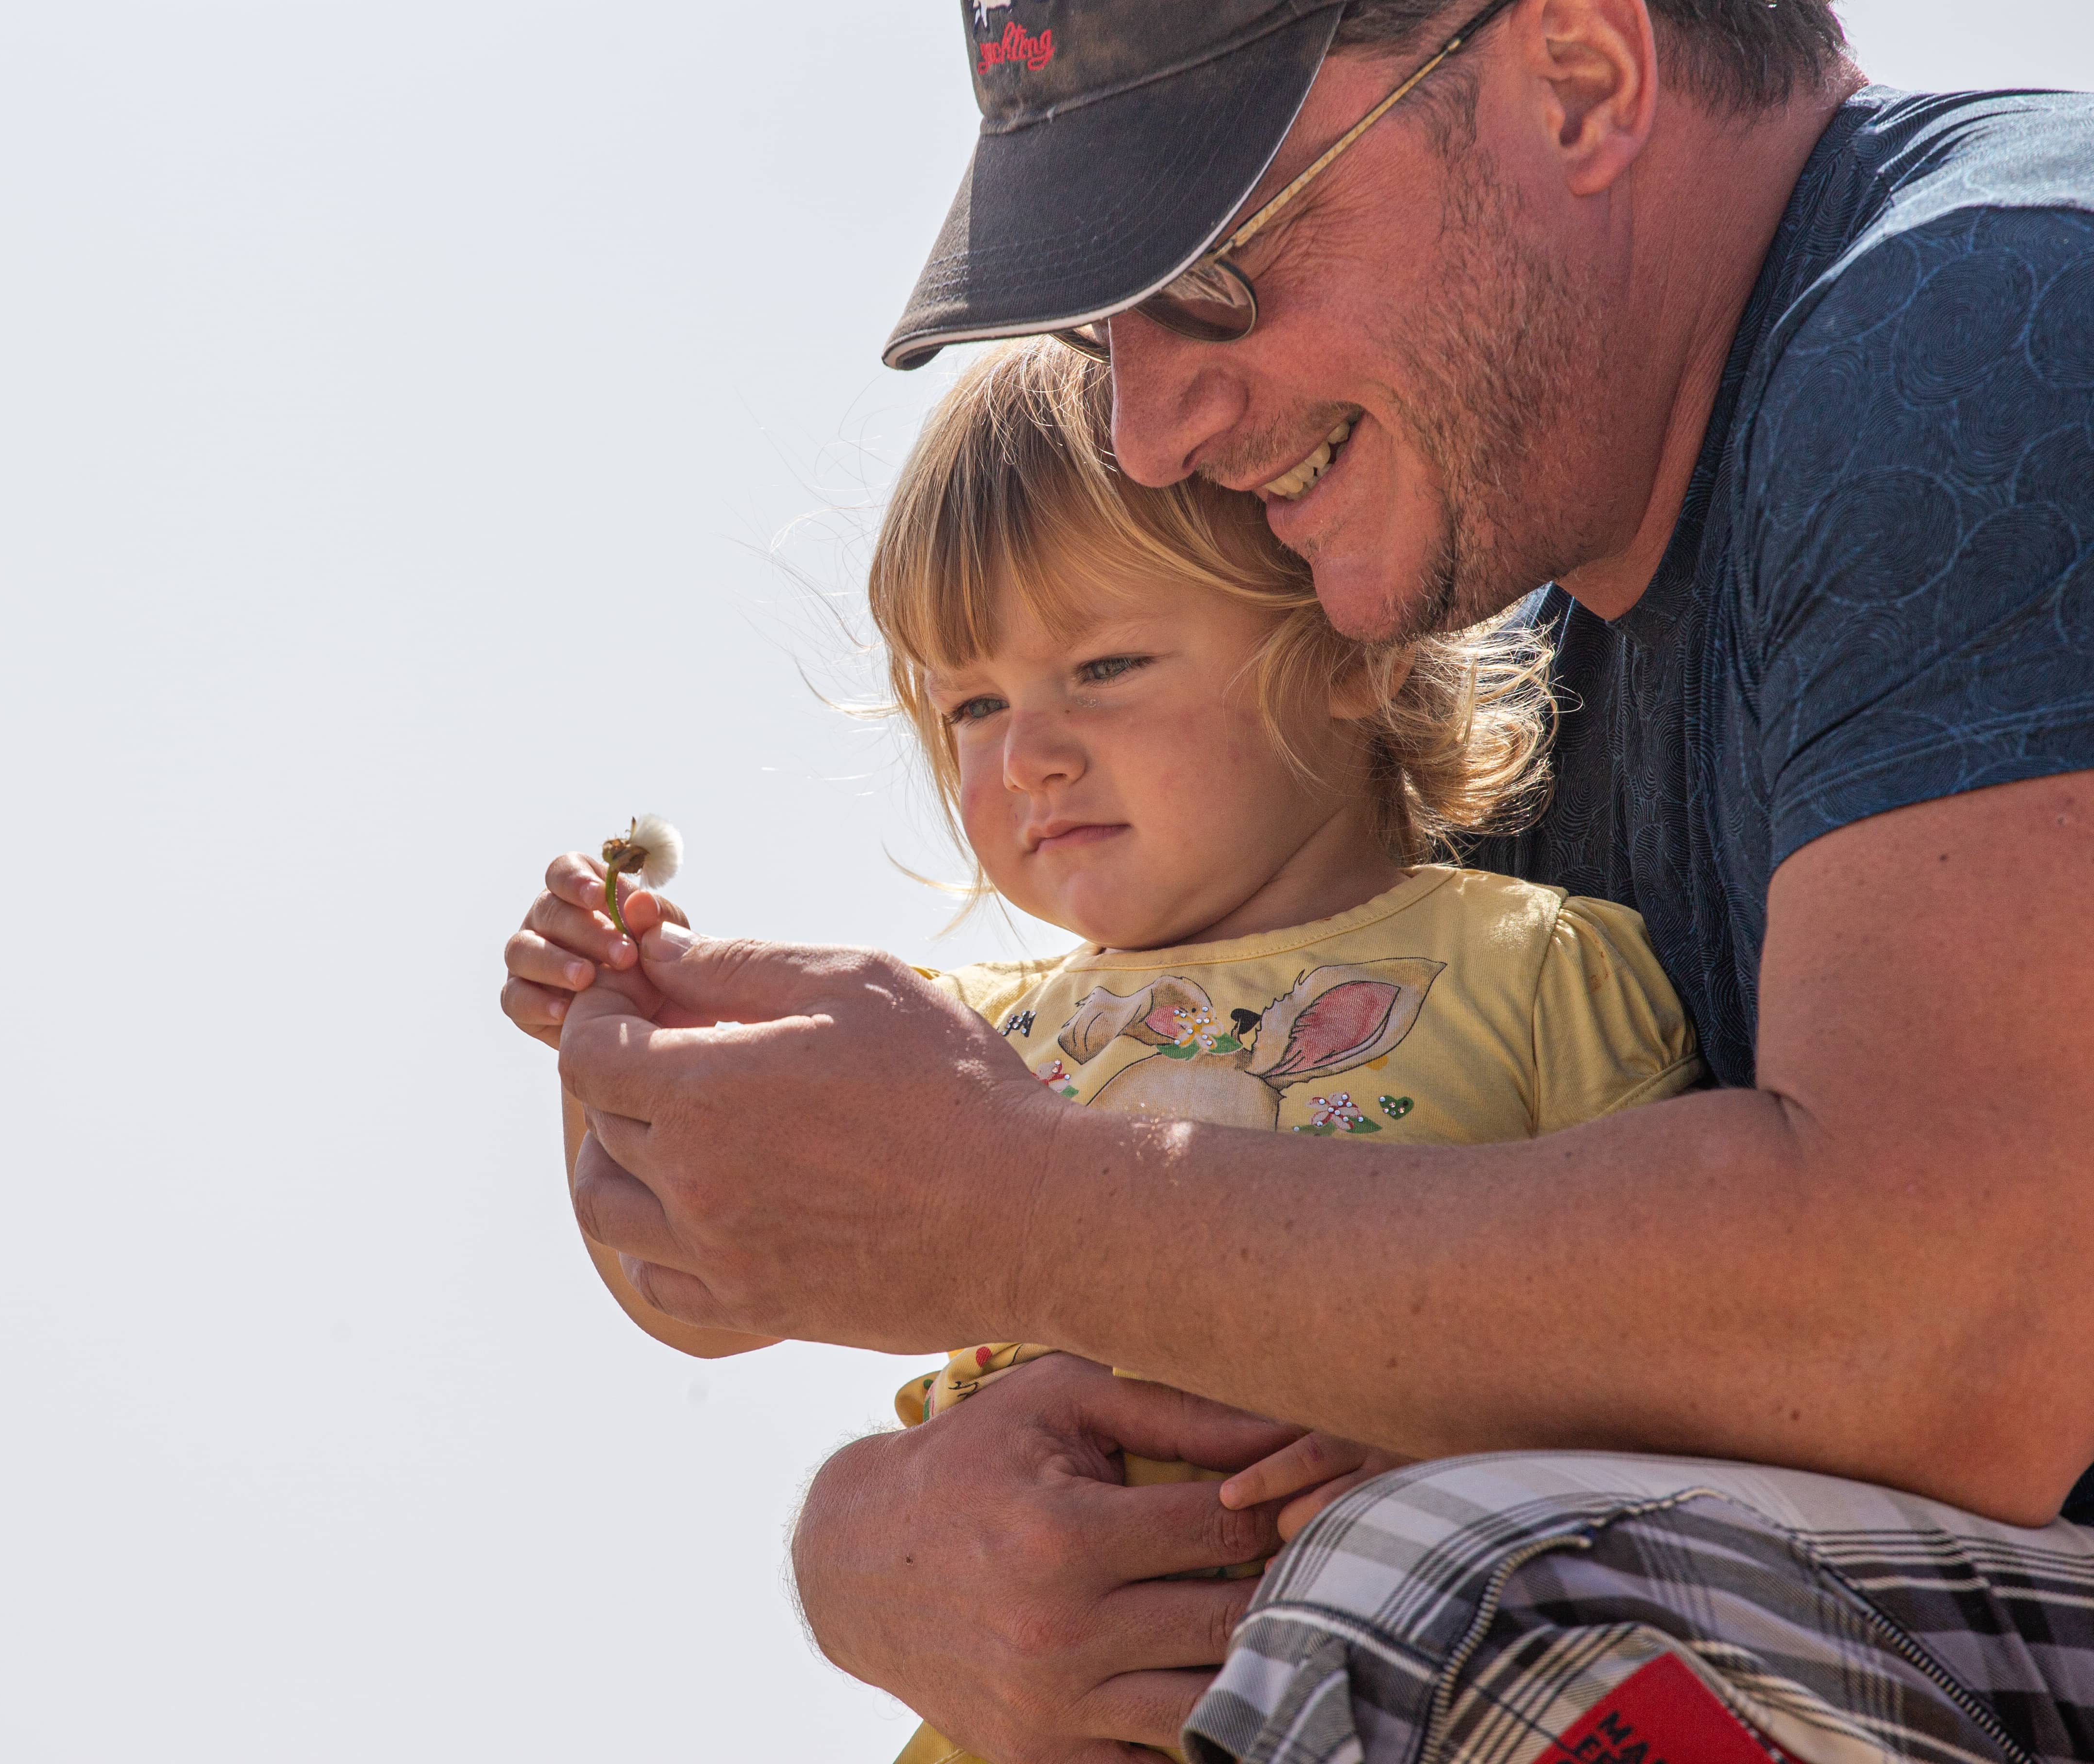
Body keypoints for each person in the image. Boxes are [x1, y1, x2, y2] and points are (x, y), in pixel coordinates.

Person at [555, 1, 2094, 1760]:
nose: (1143, 427)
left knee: (1466, 1583)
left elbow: (1957, 1321)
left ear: (1580, 77)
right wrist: (887, 1552)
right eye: (1098, 325)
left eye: (1210, 269)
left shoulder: (1994, 314)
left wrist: (1014, 1208)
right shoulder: (1504, 703)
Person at [502, 336, 1704, 1763]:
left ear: (1350, 644)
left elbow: (1701, 1344)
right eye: (972, 705)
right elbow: (700, 1280)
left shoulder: (1537, 966)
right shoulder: (948, 1046)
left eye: (1105, 666)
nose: (1028, 758)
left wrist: (1494, 1465)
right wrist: (613, 1056)